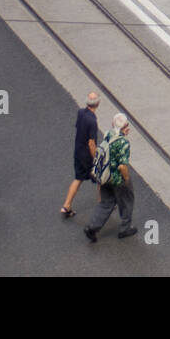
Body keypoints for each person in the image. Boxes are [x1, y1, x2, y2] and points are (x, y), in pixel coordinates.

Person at [85, 114, 137, 242]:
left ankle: (92, 227)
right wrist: (126, 179)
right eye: (127, 126)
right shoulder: (123, 142)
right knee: (127, 201)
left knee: (106, 202)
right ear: (124, 128)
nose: (128, 128)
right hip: (117, 179)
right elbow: (122, 166)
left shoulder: (108, 135)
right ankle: (125, 228)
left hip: (104, 176)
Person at [60, 92, 101, 218]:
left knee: (78, 178)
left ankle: (66, 205)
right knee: (100, 177)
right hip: (87, 155)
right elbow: (91, 143)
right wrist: (96, 159)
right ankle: (102, 203)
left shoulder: (81, 113)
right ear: (98, 103)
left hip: (78, 152)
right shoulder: (92, 121)